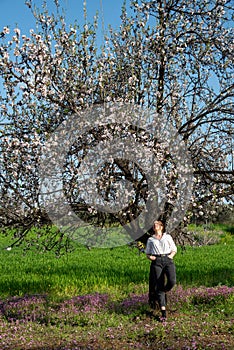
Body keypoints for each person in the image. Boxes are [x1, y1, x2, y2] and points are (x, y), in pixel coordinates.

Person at [145, 220, 177, 320]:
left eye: (157, 224)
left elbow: (174, 248)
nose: (155, 226)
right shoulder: (150, 239)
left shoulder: (167, 237)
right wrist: (151, 258)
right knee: (159, 284)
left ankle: (164, 290)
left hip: (167, 259)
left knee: (172, 281)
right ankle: (163, 312)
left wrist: (170, 257)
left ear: (161, 227)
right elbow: (147, 252)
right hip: (157, 261)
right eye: (154, 225)